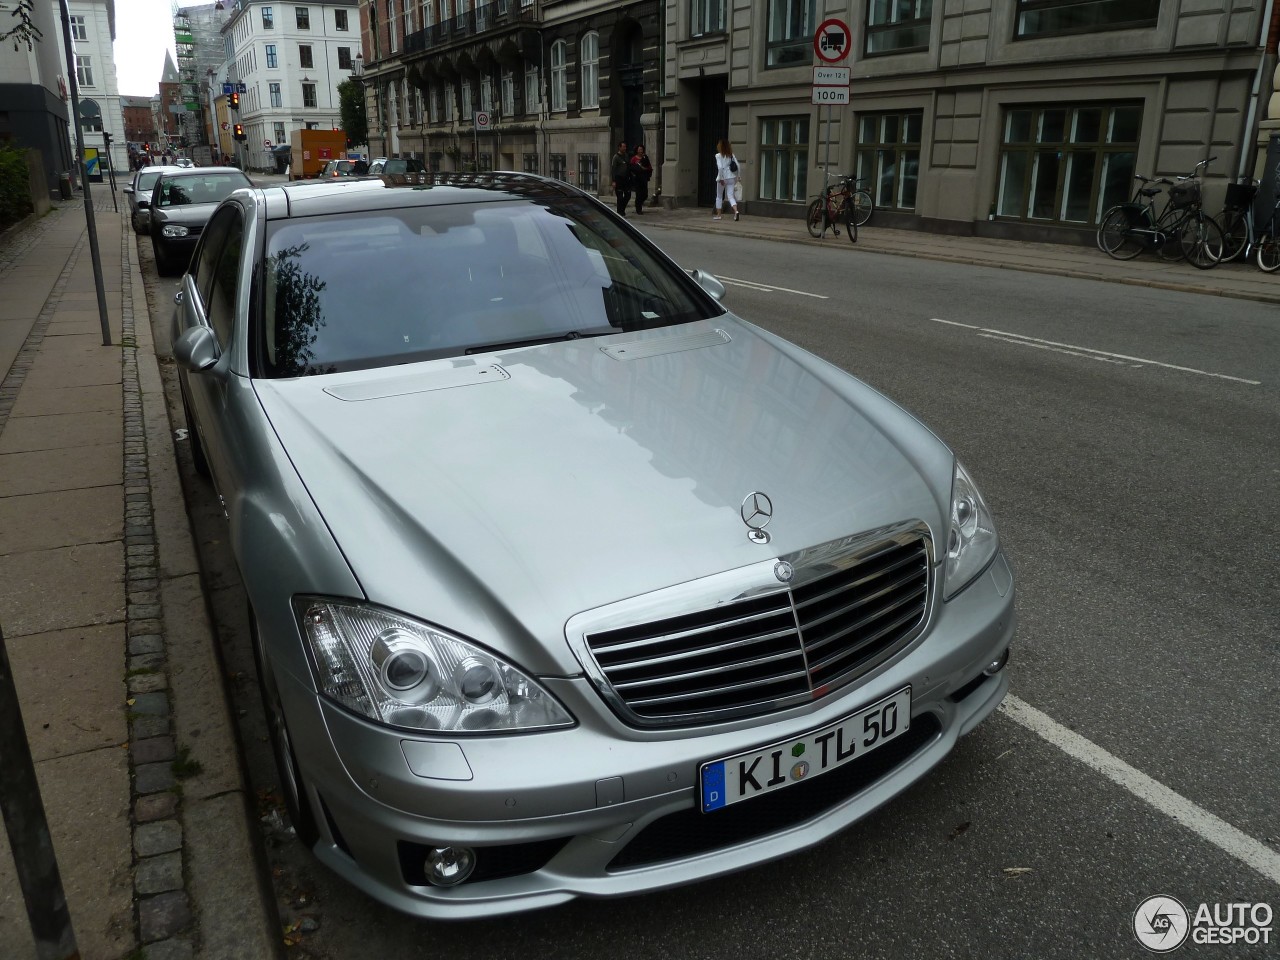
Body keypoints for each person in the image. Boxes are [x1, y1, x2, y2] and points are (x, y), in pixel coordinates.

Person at [713, 139, 740, 222]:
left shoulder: (718, 155)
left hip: (723, 178)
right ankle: (736, 211)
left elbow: (720, 168)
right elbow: (738, 165)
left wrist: (721, 178)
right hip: (731, 177)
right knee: (730, 196)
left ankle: (718, 215)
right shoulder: (731, 154)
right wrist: (739, 176)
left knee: (719, 196)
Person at [610, 141, 632, 217]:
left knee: (628, 195)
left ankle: (622, 209)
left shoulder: (626, 155)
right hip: (618, 178)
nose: (625, 148)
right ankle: (620, 212)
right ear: (619, 147)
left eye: (625, 147)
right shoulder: (616, 157)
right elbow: (613, 169)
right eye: (623, 147)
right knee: (620, 196)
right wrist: (613, 181)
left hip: (626, 179)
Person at [630, 144, 653, 215]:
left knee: (645, 194)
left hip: (644, 178)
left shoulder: (645, 157)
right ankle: (638, 209)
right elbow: (631, 168)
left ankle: (639, 203)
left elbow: (649, 167)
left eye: (641, 149)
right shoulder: (634, 159)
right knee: (638, 194)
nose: (640, 151)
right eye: (639, 149)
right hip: (637, 179)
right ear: (637, 150)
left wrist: (645, 169)